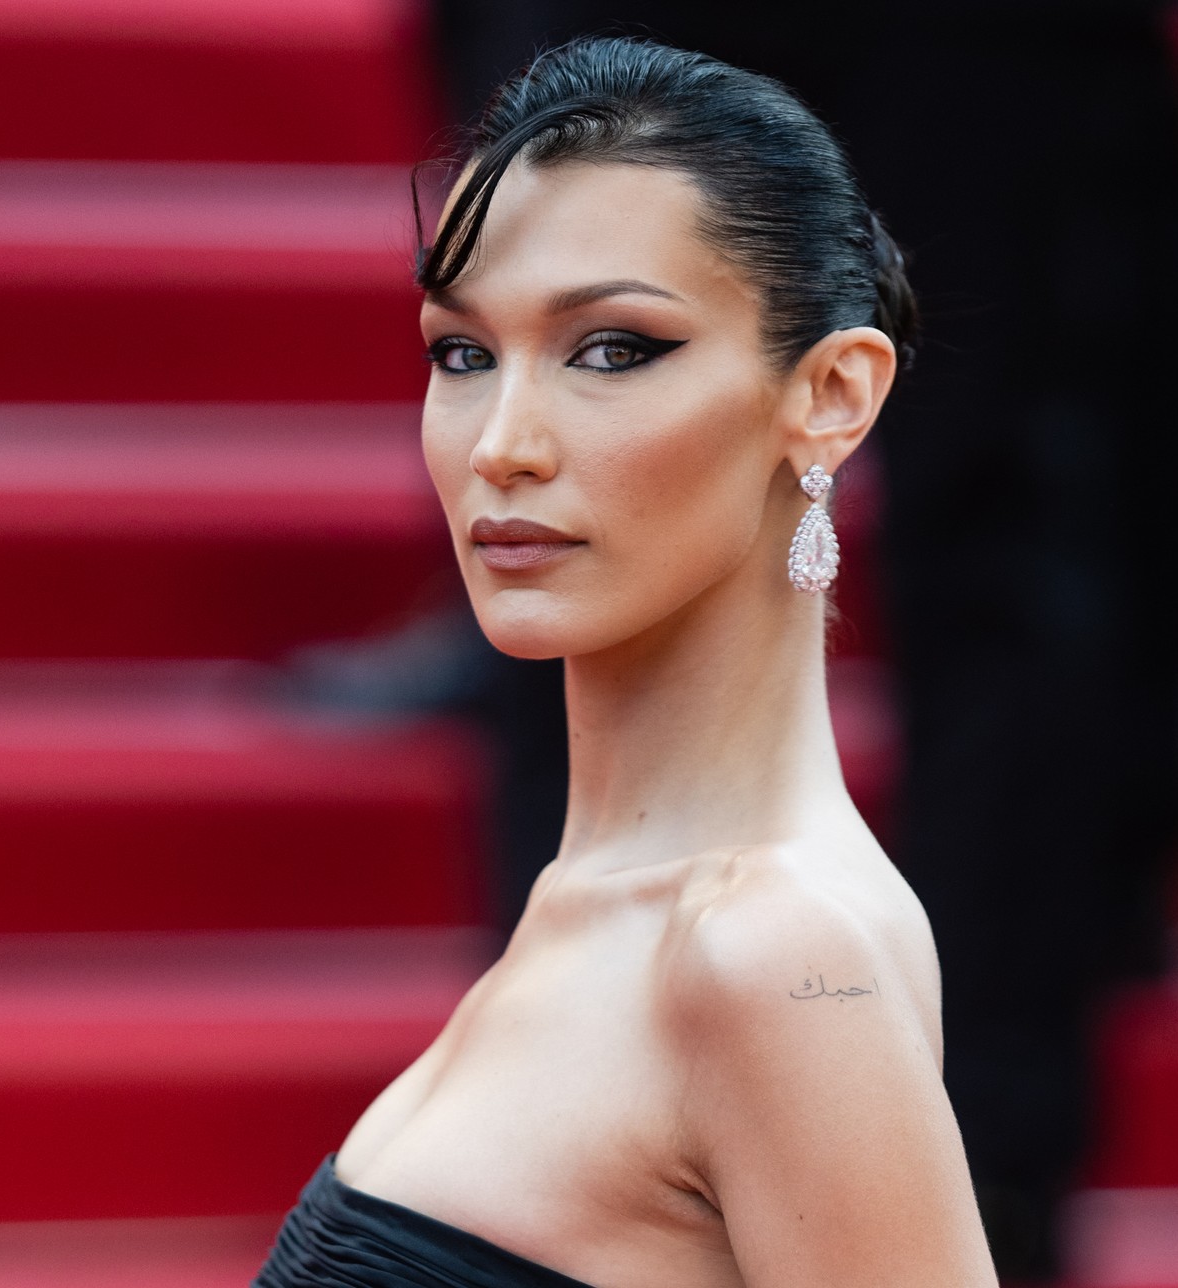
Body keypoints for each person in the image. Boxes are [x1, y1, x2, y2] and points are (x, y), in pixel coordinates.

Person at [254, 36, 999, 1288]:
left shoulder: (771, 956)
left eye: (611, 349)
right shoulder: (607, 897)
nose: (502, 443)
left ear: (830, 393)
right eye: (461, 353)